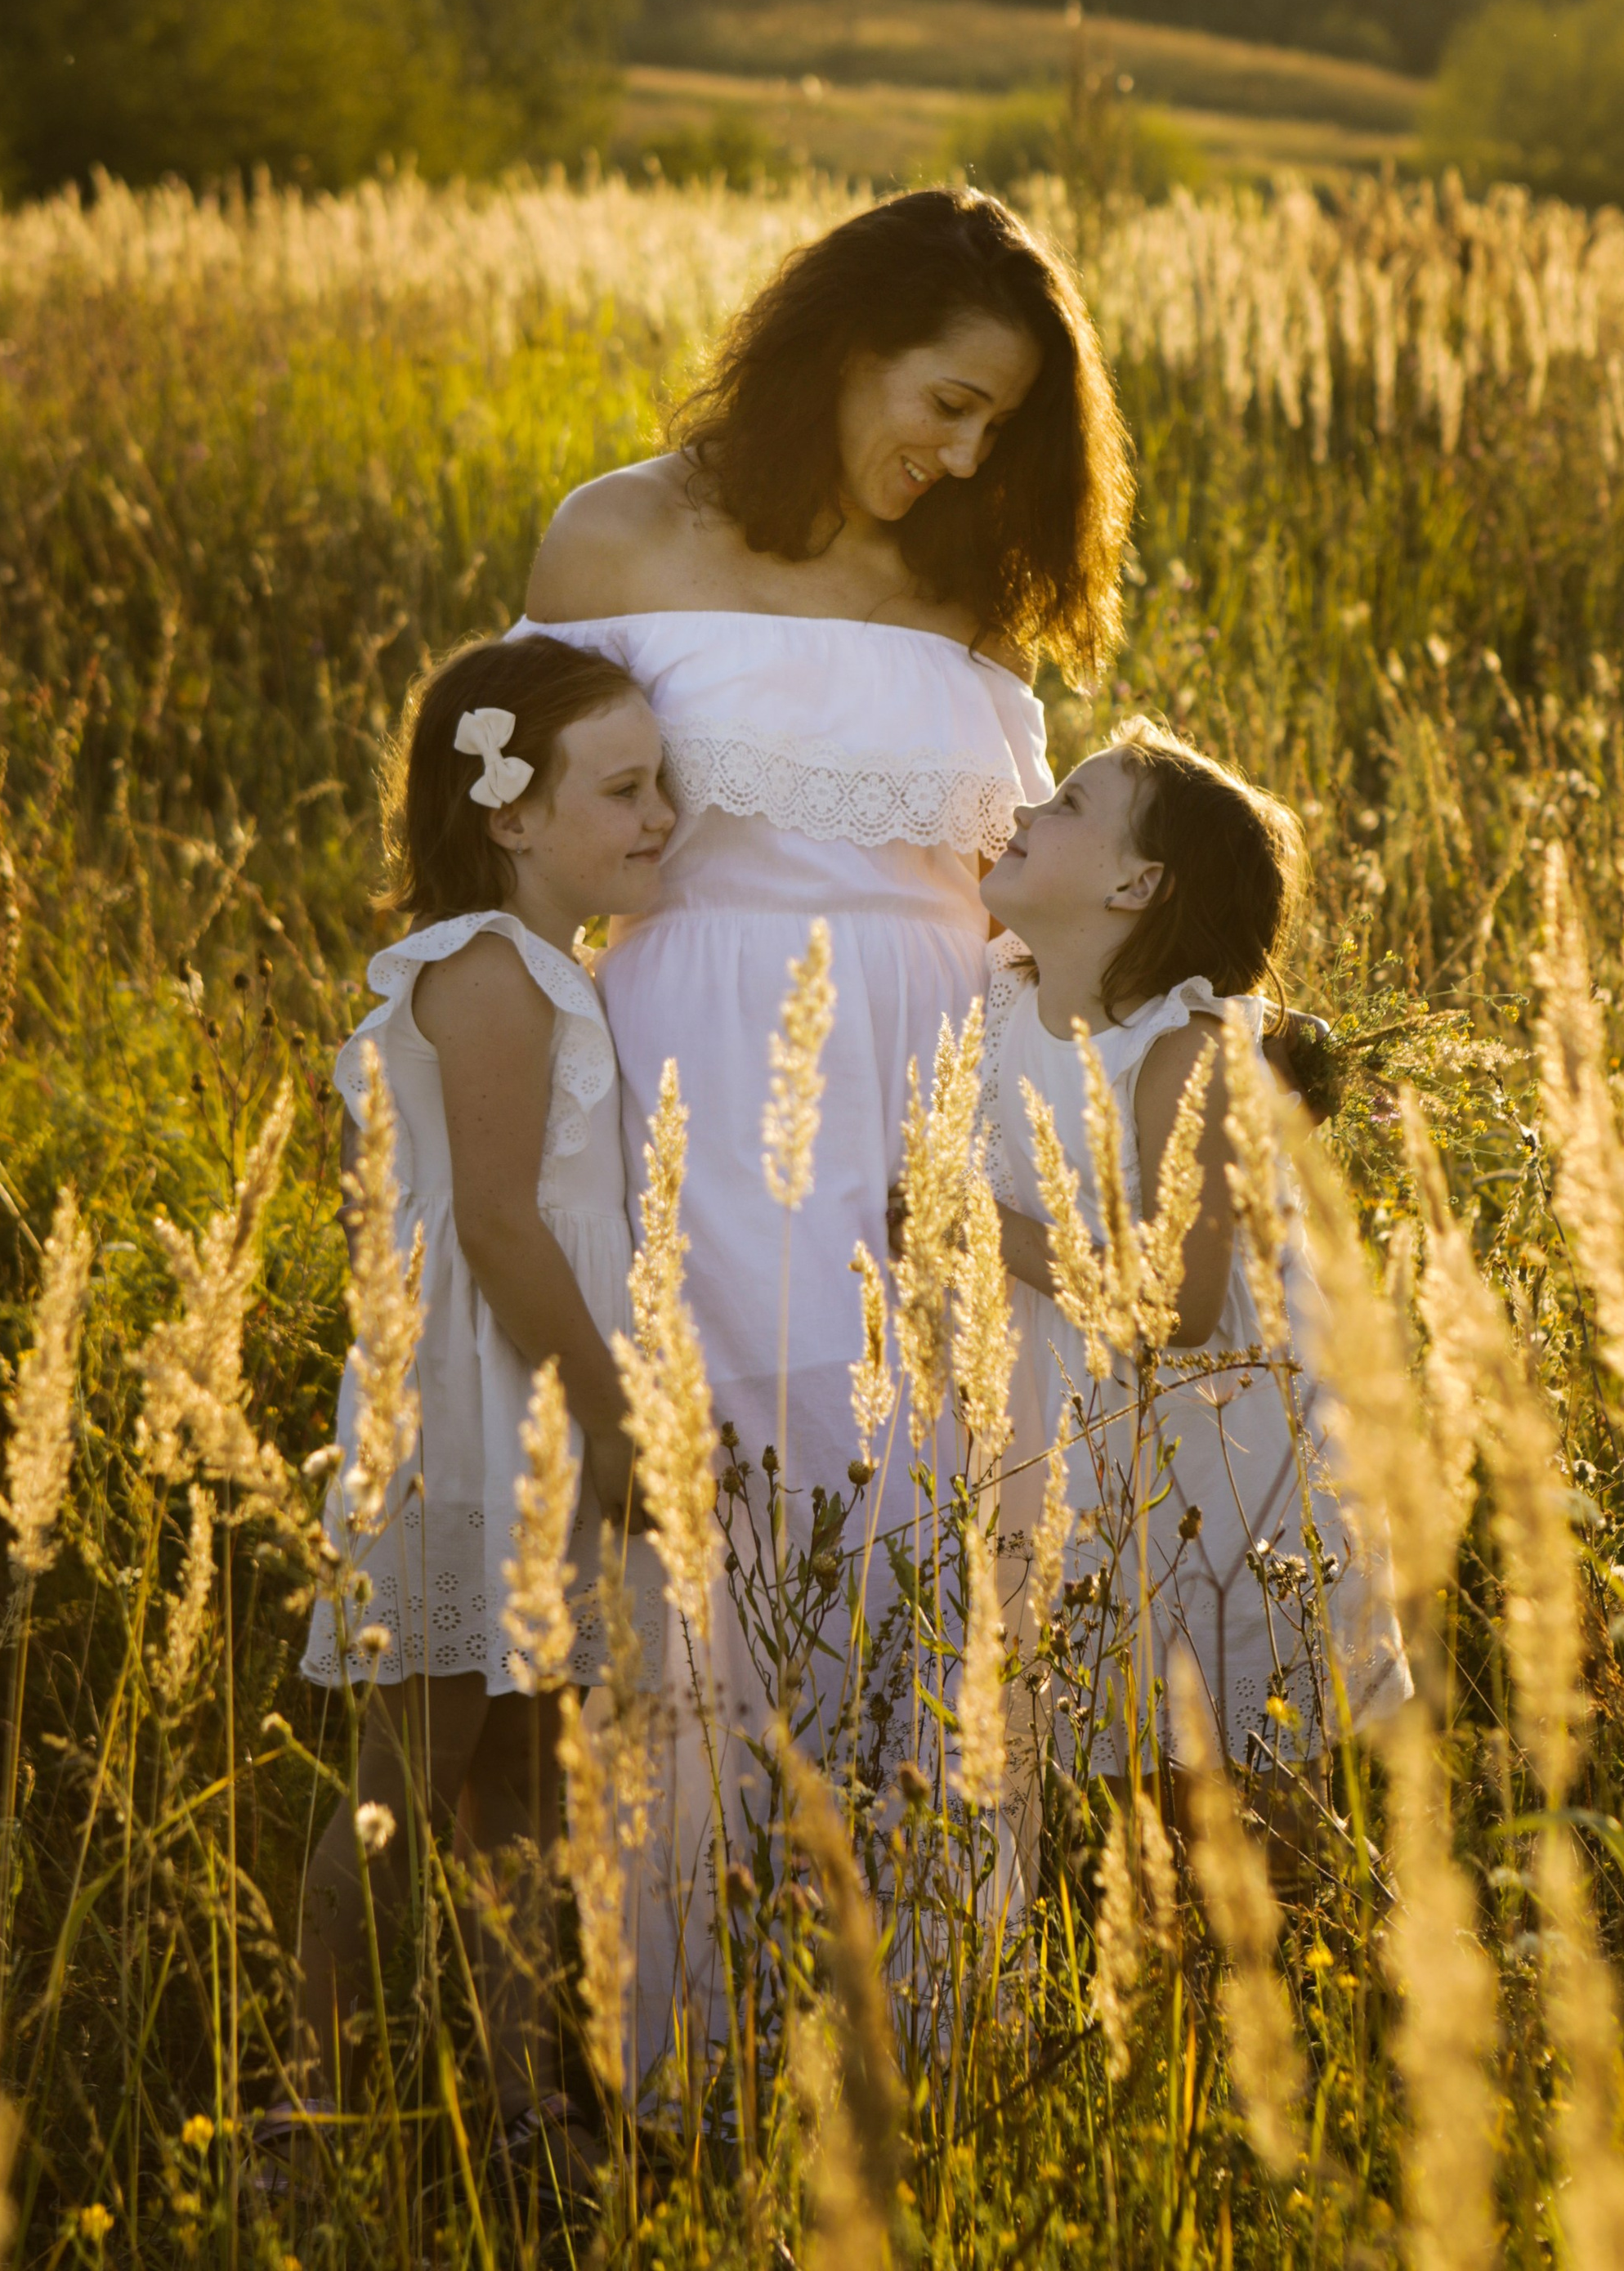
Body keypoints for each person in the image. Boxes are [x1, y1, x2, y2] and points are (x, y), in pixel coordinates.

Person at [518, 186, 1133, 2051]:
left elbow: (1031, 886)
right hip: (692, 1065)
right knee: (709, 1523)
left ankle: (917, 2038)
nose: (959, 456)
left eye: (998, 429)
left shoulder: (968, 587)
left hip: (945, 1097)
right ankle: (679, 2046)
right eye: (944, 401)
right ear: (841, 344)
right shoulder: (620, 532)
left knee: (936, 1522)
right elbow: (519, 845)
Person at [290, 631, 674, 2170]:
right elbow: (501, 1226)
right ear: (511, 813)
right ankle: (298, 2104)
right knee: (411, 1770)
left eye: (668, 785)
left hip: (527, 1399)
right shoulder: (489, 975)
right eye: (627, 788)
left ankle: (520, 2104)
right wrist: (619, 1414)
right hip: (482, 1412)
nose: (663, 815)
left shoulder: (548, 971)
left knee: (523, 1773)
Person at [973, 717, 1407, 1780]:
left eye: (1068, 804)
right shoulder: (1009, 995)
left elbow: (1182, 1306)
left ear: (1136, 887)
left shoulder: (1181, 1052)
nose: (1026, 809)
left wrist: (982, 1227)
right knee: (1117, 1744)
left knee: (1246, 1761)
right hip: (1102, 1430)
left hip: (1230, 1451)